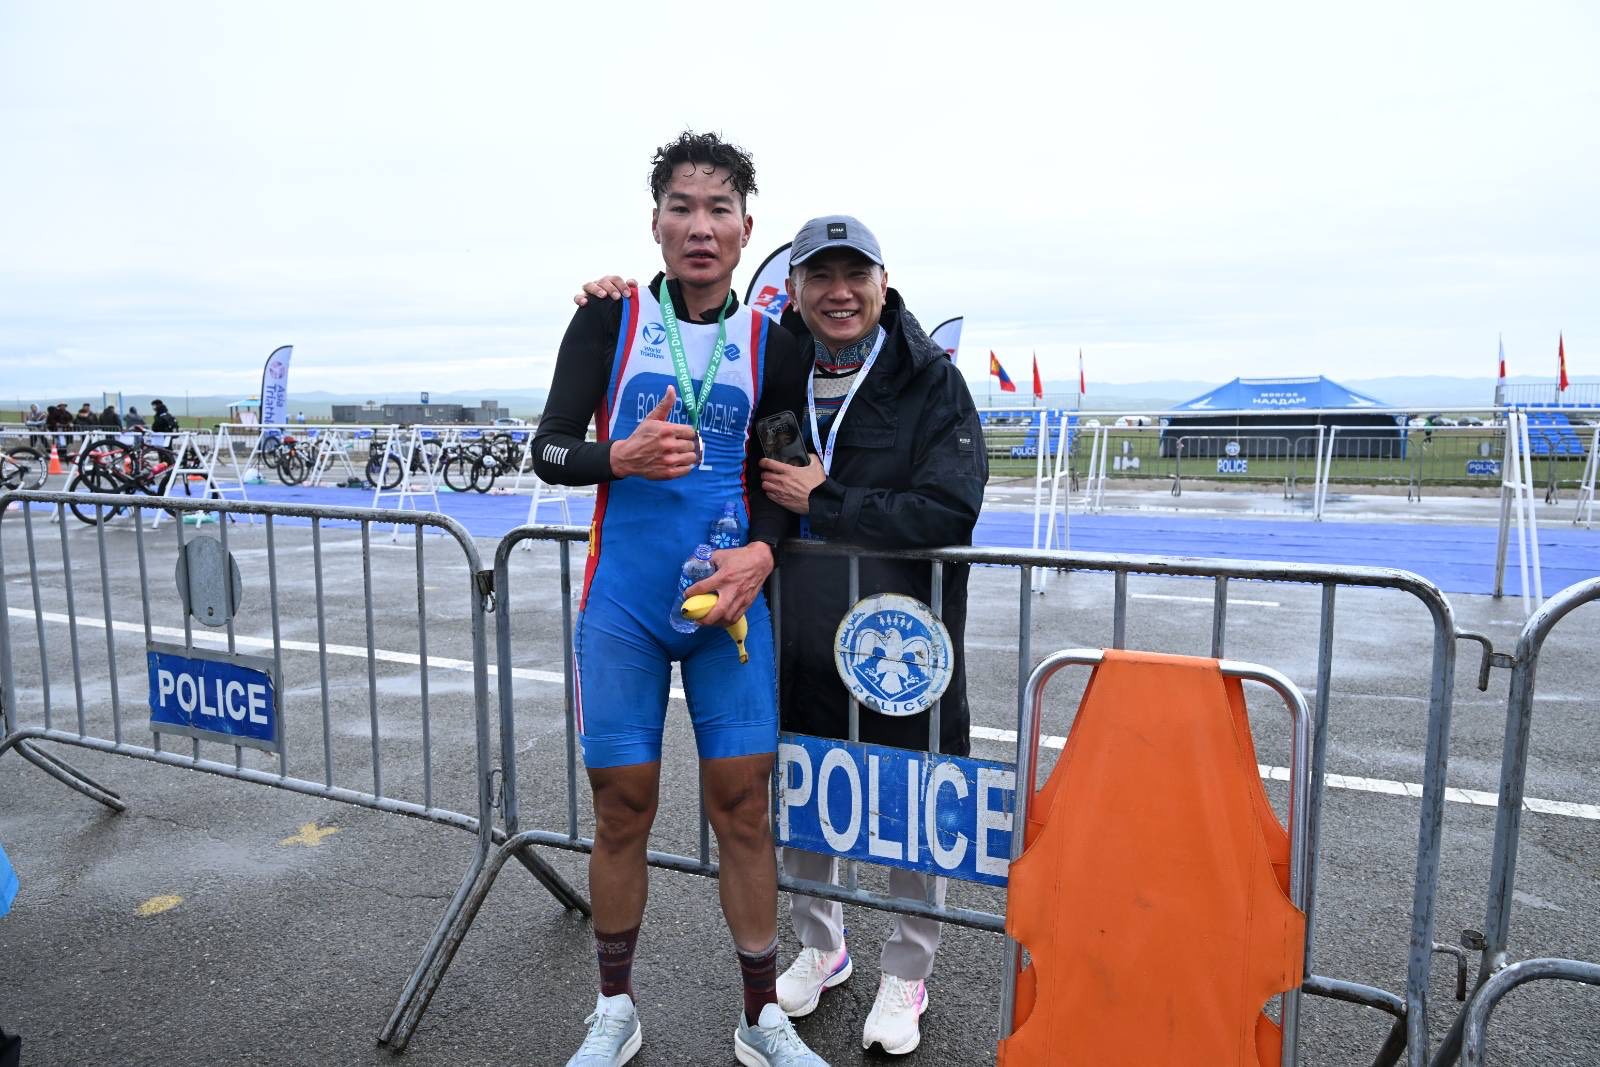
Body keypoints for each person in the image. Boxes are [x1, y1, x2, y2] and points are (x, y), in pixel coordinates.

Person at [578, 216, 987, 1056]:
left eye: (854, 275)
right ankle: (823, 946)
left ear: (882, 283)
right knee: (805, 793)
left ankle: (907, 968)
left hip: (900, 636)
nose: (839, 293)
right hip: (798, 623)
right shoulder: (780, 360)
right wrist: (617, 297)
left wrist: (825, 501)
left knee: (907, 799)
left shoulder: (930, 378)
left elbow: (951, 508)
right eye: (819, 277)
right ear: (793, 289)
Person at [530, 131, 823, 1067]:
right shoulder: (607, 321)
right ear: (656, 223)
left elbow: (782, 481)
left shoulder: (773, 344)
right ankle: (614, 1008)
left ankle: (761, 1015)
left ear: (746, 229)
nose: (700, 226)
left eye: (718, 209)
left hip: (727, 611)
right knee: (623, 807)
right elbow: (547, 448)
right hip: (623, 605)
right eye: (682, 208)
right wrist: (616, 455)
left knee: (744, 809)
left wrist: (761, 557)